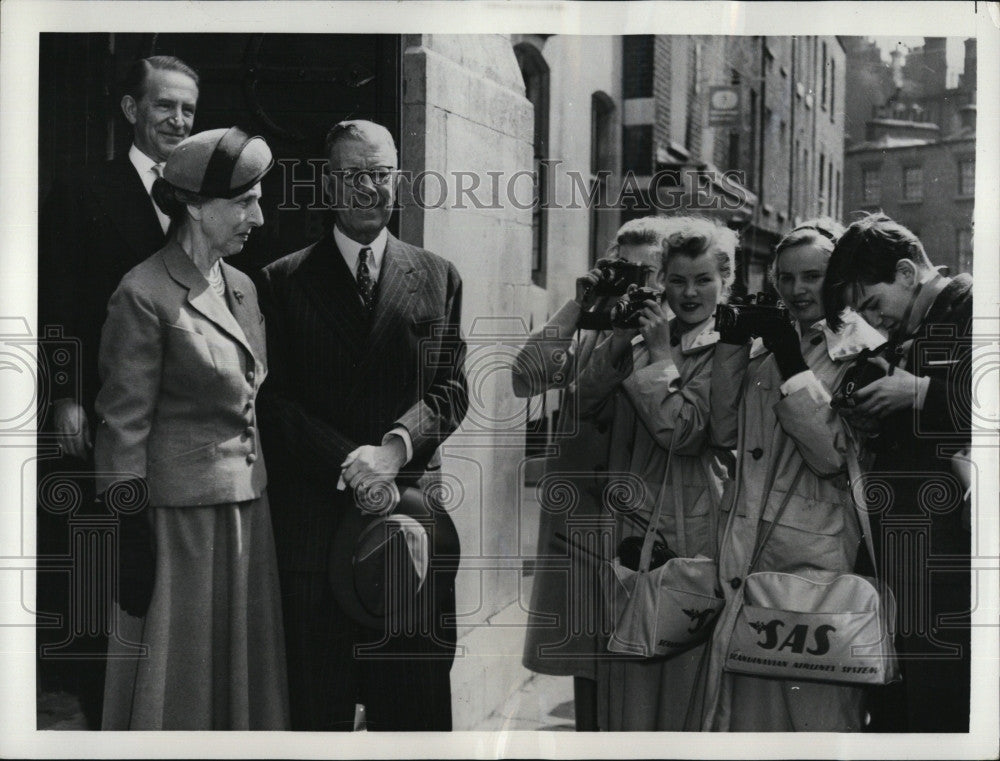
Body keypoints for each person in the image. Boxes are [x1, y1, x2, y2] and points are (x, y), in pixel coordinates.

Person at [255, 119, 469, 731]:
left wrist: (396, 448)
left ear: (398, 179)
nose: (370, 189)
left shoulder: (437, 275)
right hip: (315, 532)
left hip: (407, 532)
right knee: (315, 716)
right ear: (329, 184)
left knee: (413, 714)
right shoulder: (282, 280)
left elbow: (450, 388)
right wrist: (351, 460)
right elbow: (273, 402)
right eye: (354, 176)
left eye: (381, 174)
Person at [94, 127, 288, 730]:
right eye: (244, 201)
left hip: (246, 515)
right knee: (177, 687)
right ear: (197, 207)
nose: (258, 216)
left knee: (241, 688)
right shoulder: (144, 292)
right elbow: (122, 423)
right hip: (178, 527)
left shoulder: (242, 286)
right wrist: (128, 531)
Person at [36, 54, 199, 728]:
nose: (180, 120)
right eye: (166, 106)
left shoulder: (201, 196)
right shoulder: (83, 189)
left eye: (190, 110)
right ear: (132, 111)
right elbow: (56, 299)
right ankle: (95, 707)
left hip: (182, 415)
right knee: (105, 558)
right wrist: (67, 393)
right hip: (105, 412)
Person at [698, 219, 885, 731]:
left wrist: (786, 354)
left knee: (816, 715)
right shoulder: (770, 344)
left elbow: (831, 453)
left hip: (818, 555)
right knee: (750, 714)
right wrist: (734, 346)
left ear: (839, 279)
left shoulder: (861, 346)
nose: (798, 290)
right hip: (750, 548)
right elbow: (722, 429)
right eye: (787, 278)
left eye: (813, 276)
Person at [512, 216, 675, 732]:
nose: (638, 286)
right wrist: (578, 305)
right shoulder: (594, 328)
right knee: (588, 686)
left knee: (639, 692)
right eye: (624, 271)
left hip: (639, 537)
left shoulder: (680, 340)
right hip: (582, 536)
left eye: (650, 274)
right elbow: (524, 377)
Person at [573, 216, 736, 730]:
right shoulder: (646, 339)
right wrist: (621, 343)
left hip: (692, 531)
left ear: (724, 283)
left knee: (683, 685)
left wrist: (662, 355)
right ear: (661, 280)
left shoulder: (730, 350)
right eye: (678, 279)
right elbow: (584, 402)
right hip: (631, 529)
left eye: (703, 280)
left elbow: (684, 432)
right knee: (630, 684)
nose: (689, 293)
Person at [821, 212, 973, 732]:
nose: (872, 320)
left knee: (936, 708)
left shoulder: (975, 305)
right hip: (906, 567)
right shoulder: (916, 323)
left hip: (947, 567)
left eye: (871, 303)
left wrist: (917, 392)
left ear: (907, 273)